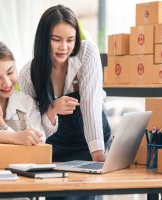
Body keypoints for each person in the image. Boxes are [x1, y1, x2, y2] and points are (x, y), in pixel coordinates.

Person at [19, 5, 111, 163]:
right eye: (56, 40)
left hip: (95, 144)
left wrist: (97, 154)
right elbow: (35, 129)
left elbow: (91, 104)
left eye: (70, 40)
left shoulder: (87, 53)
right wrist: (53, 109)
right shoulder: (28, 74)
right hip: (57, 150)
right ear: (43, 39)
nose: (64, 47)